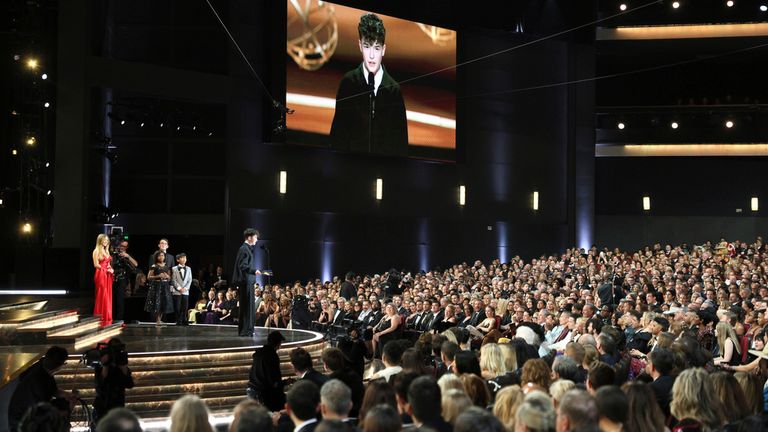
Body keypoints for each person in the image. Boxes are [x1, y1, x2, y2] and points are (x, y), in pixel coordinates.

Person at [329, 13, 408, 156]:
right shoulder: (349, 83)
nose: (371, 55)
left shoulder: (393, 90)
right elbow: (338, 137)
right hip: (352, 166)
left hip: (384, 167)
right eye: (367, 46)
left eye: (376, 48)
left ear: (383, 49)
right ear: (360, 45)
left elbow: (401, 144)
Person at [8, 346, 77, 431]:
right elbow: (42, 413)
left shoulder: (43, 367)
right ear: (59, 366)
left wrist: (67, 395)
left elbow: (53, 390)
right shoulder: (39, 382)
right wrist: (66, 412)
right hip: (22, 423)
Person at [93, 338, 134, 424]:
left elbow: (129, 384)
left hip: (117, 406)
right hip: (102, 406)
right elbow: (99, 385)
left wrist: (123, 367)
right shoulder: (100, 366)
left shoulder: (121, 366)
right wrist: (105, 365)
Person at [232, 228, 262, 337]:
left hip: (247, 282)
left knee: (248, 307)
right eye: (255, 237)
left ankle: (247, 330)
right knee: (246, 307)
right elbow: (242, 265)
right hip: (245, 282)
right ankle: (245, 331)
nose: (256, 240)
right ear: (249, 237)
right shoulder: (244, 249)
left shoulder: (246, 249)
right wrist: (254, 271)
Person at [247, 331, 285, 411]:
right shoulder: (272, 356)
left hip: (253, 390)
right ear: (278, 344)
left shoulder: (258, 354)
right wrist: (284, 383)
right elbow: (273, 381)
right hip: (264, 395)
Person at [144, 251, 174, 325]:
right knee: (157, 302)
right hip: (157, 286)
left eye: (162, 255)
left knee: (163, 302)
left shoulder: (166, 266)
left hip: (165, 286)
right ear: (156, 257)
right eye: (159, 256)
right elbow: (149, 277)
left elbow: (169, 277)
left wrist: (167, 276)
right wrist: (158, 276)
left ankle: (160, 319)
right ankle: (157, 320)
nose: (161, 257)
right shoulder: (154, 266)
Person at [111, 239, 137, 321]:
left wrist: (128, 256)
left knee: (120, 300)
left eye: (125, 246)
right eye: (122, 246)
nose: (123, 247)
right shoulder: (114, 254)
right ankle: (109, 317)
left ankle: (119, 319)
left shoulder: (128, 255)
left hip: (122, 279)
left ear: (127, 247)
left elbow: (136, 264)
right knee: (111, 299)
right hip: (112, 278)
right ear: (119, 245)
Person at [93, 234, 115, 326]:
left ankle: (107, 316)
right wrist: (106, 270)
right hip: (101, 273)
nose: (105, 242)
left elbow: (108, 263)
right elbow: (96, 264)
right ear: (100, 240)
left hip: (107, 274)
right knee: (102, 294)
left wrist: (111, 269)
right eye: (104, 240)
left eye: (107, 240)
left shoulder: (107, 251)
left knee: (108, 294)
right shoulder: (96, 251)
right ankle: (100, 316)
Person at [171, 253, 192, 326]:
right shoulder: (174, 268)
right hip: (177, 291)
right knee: (177, 307)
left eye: (185, 258)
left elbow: (190, 280)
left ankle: (184, 320)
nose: (184, 259)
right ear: (178, 260)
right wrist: (179, 288)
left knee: (185, 307)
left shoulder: (189, 268)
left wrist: (185, 288)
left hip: (185, 291)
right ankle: (178, 320)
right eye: (182, 258)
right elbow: (173, 280)